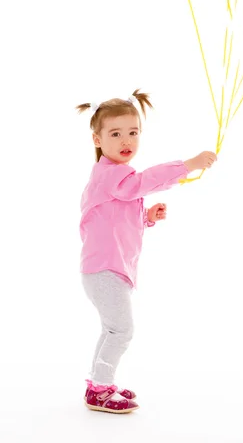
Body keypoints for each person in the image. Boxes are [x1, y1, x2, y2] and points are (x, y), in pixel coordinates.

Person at [76, 89, 217, 414]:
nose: (126, 140)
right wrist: (189, 165)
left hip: (105, 268)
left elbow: (115, 218)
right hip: (105, 271)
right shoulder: (113, 174)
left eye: (133, 132)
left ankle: (100, 384)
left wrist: (146, 217)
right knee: (121, 330)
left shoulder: (112, 179)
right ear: (97, 139)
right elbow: (143, 182)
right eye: (115, 134)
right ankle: (98, 388)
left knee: (112, 329)